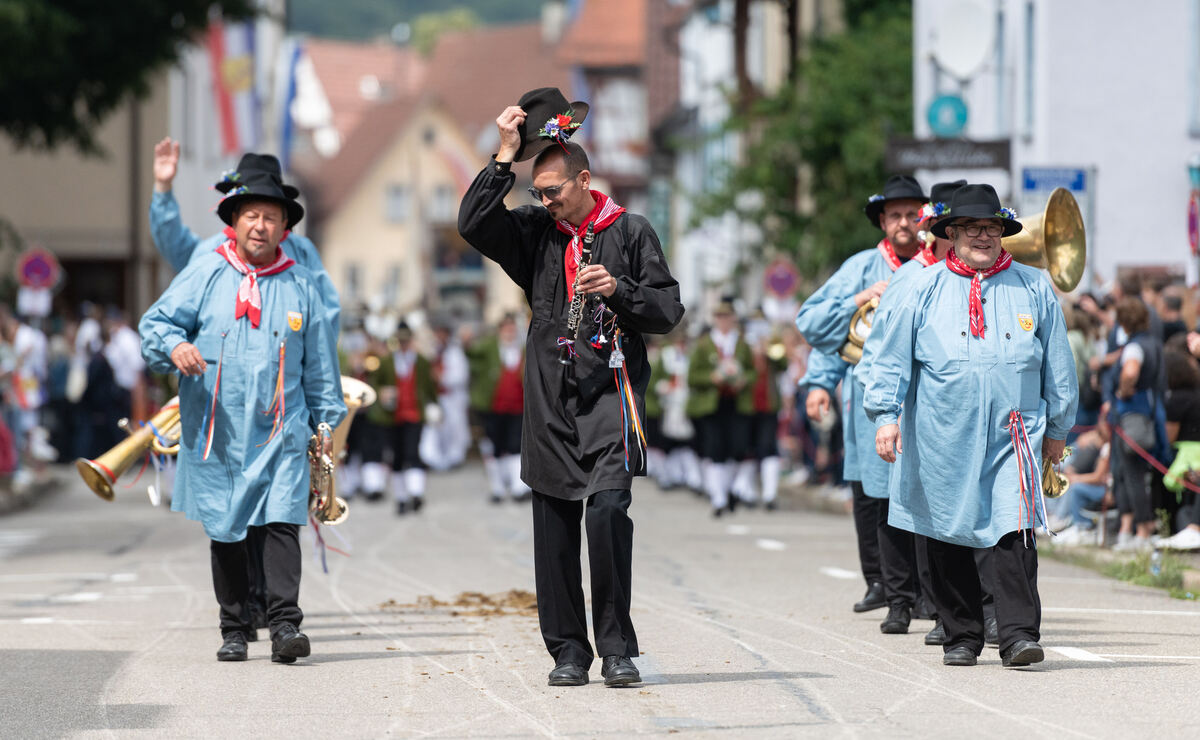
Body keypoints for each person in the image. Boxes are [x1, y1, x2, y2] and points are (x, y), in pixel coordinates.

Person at [457, 88, 684, 687]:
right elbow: (474, 223)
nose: (545, 201)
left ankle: (616, 647)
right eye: (538, 193)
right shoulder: (536, 233)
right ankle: (567, 651)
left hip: (612, 395)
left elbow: (668, 310)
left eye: (552, 191)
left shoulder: (631, 231)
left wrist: (620, 291)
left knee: (608, 511)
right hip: (550, 401)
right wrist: (504, 156)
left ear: (584, 181)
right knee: (554, 528)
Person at [865, 183, 1078, 668]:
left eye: (991, 228)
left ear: (1002, 233)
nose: (983, 237)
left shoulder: (1033, 285)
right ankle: (962, 634)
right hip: (941, 434)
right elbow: (891, 358)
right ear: (952, 233)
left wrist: (1059, 427)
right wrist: (886, 416)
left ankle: (1020, 635)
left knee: (1015, 528)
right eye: (972, 229)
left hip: (1015, 433)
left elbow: (1058, 364)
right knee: (945, 532)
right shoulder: (922, 287)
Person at [139, 167, 346, 664]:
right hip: (218, 430)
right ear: (233, 221)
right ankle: (233, 627)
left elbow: (320, 363)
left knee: (282, 522)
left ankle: (284, 627)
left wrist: (324, 424)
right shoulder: (206, 271)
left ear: (284, 229)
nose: (260, 225)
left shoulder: (301, 284)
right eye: (251, 215)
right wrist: (177, 347)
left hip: (281, 429)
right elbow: (155, 324)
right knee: (226, 528)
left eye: (270, 218)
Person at [796, 175, 928, 626]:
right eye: (896, 216)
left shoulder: (939, 265)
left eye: (914, 214)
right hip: (871, 400)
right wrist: (819, 382)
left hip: (928, 399)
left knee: (924, 495)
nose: (906, 223)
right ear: (883, 222)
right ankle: (883, 583)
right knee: (873, 493)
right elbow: (825, 329)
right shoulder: (861, 267)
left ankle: (925, 590)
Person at [687, 300, 756, 516]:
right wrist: (711, 378)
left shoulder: (743, 344)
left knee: (737, 448)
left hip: (736, 403)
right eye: (720, 317)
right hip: (712, 405)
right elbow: (692, 376)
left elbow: (754, 372)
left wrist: (744, 379)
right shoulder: (704, 344)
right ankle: (718, 497)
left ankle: (731, 490)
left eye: (728, 317)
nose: (724, 321)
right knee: (714, 449)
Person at [1110, 296, 1166, 552]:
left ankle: (1142, 530)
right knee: (1135, 474)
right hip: (1149, 413)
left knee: (1129, 474)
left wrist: (1122, 390)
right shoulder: (1153, 343)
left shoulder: (1134, 347)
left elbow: (1130, 372)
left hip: (1131, 415)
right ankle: (1135, 528)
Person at [466, 314, 531, 503]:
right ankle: (498, 487)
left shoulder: (523, 349)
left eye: (512, 329)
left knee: (515, 444)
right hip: (493, 406)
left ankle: (518, 486)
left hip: (517, 406)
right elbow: (472, 354)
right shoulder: (488, 347)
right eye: (506, 329)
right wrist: (467, 342)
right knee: (495, 446)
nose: (510, 333)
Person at [387, 322, 437, 515]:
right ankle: (401, 497)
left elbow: (429, 387)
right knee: (397, 457)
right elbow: (378, 384)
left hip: (414, 414)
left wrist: (433, 405)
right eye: (401, 341)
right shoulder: (387, 361)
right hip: (393, 416)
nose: (403, 345)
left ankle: (416, 494)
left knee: (413, 453)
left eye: (406, 341)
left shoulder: (421, 361)